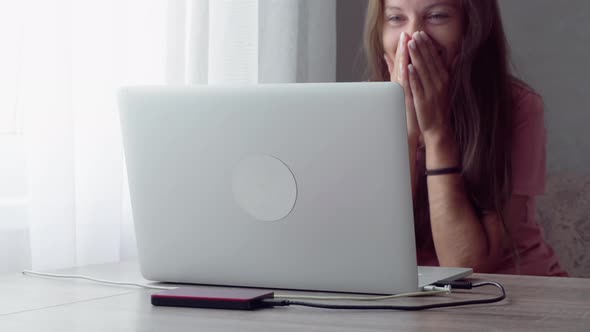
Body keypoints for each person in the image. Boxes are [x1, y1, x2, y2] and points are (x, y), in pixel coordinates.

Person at [364, 0, 567, 276]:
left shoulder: (518, 107)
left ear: (471, 29)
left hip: (513, 291)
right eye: (396, 18)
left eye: (437, 16)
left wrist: (436, 132)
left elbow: (465, 264)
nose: (411, 37)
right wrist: (406, 130)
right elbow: (372, 250)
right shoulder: (363, 109)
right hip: (416, 298)